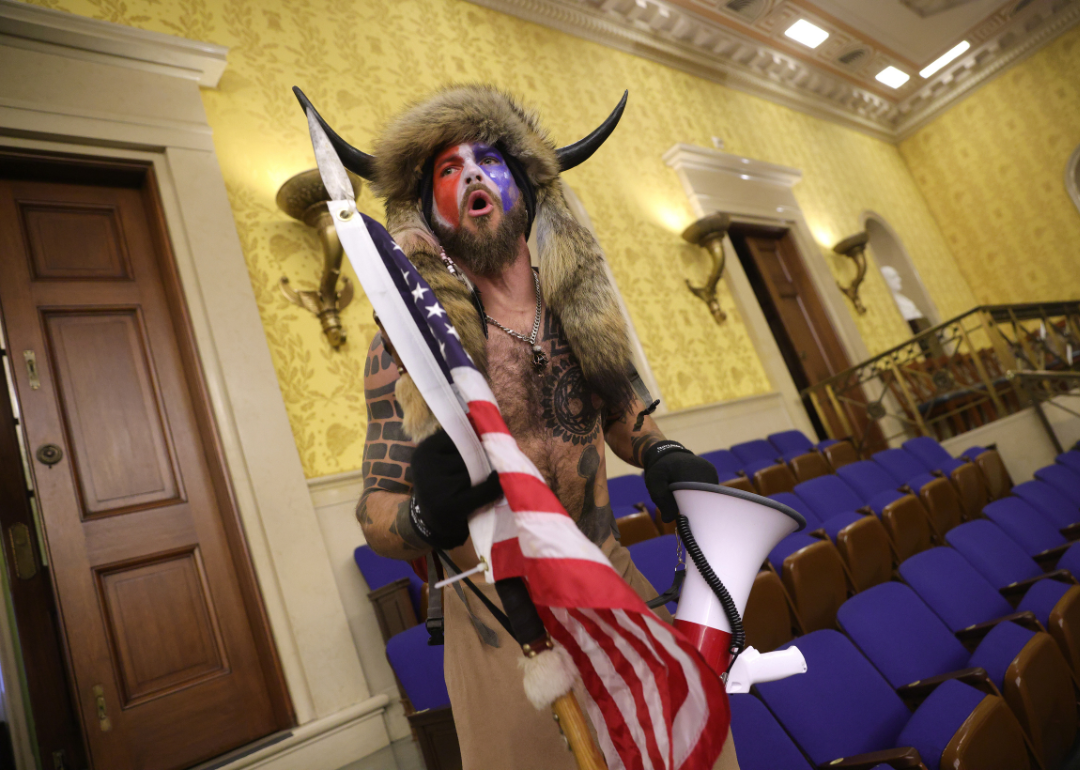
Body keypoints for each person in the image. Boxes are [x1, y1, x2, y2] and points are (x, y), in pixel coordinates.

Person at [308, 85, 737, 769]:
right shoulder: (410, 344)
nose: (472, 174)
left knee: (688, 751)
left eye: (488, 159)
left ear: (527, 189)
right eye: (448, 169)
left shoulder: (579, 310)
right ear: (427, 208)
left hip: (609, 582)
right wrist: (424, 515)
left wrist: (664, 454)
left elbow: (630, 420)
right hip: (497, 626)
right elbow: (375, 512)